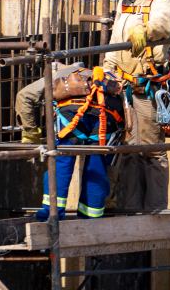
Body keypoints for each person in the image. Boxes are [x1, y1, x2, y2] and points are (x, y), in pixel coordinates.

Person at [101, 0, 170, 213]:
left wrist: (143, 31)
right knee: (130, 151)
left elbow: (164, 24)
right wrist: (107, 70)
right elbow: (115, 43)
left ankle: (155, 212)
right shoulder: (126, 2)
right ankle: (134, 210)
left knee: (151, 150)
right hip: (123, 86)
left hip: (147, 87)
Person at [34, 66, 128, 220]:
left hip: (73, 116)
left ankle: (50, 217)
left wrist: (30, 132)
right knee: (96, 167)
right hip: (105, 117)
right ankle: (91, 219)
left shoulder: (61, 74)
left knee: (62, 163)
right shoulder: (112, 78)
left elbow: (25, 96)